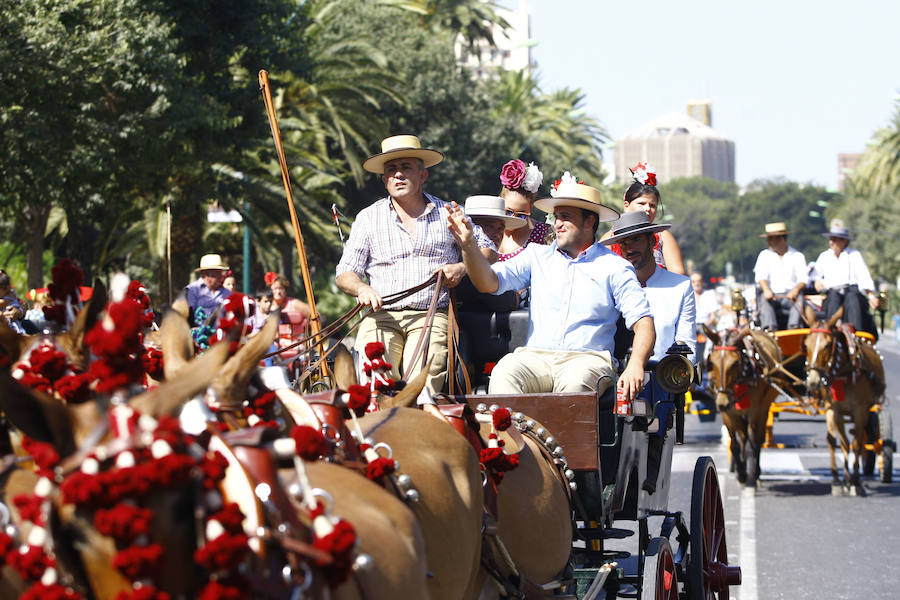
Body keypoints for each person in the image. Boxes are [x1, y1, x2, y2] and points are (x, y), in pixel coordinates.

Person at [447, 176, 655, 401]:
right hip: (535, 357)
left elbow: (644, 322)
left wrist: (635, 364)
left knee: (575, 383)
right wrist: (469, 245)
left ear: (589, 222)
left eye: (566, 217)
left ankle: (558, 438)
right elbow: (487, 282)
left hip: (588, 359)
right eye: (556, 217)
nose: (557, 224)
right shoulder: (536, 255)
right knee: (504, 374)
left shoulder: (615, 267)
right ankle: (513, 438)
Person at [336, 134, 496, 392]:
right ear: (384, 179)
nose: (398, 175)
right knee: (376, 384)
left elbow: (489, 249)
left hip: (430, 317)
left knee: (418, 388)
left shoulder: (448, 213)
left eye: (405, 167)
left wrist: (462, 268)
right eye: (391, 170)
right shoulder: (368, 218)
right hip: (381, 317)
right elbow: (345, 273)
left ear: (422, 176)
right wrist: (362, 289)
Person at [602, 210, 695, 493]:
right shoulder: (608, 282)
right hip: (610, 371)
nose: (630, 248)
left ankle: (644, 464)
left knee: (651, 390)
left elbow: (687, 343)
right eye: (625, 243)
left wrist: (669, 364)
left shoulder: (679, 287)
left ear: (652, 242)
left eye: (637, 241)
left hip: (657, 379)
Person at [602, 162, 686, 274]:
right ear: (626, 206)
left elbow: (678, 273)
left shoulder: (663, 236)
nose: (647, 209)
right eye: (641, 203)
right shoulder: (609, 239)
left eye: (652, 205)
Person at [811, 222, 879, 337]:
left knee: (852, 299)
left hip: (851, 292)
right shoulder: (824, 256)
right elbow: (815, 276)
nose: (831, 242)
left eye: (835, 239)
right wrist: (817, 282)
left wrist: (871, 295)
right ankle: (831, 333)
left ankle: (856, 335)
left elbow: (864, 278)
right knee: (833, 299)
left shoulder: (854, 255)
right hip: (833, 293)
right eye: (831, 239)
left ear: (844, 241)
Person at [753, 222, 807, 330]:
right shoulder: (764, 255)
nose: (768, 242)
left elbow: (803, 279)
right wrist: (766, 290)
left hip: (791, 297)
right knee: (763, 299)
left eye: (771, 238)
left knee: (800, 299)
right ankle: (770, 327)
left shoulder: (797, 256)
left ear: (781, 239)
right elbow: (761, 277)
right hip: (772, 297)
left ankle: (794, 327)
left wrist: (795, 290)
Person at [496, 159, 553, 260]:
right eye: (508, 212)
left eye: (521, 215)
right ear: (500, 201)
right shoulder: (485, 227)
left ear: (530, 208)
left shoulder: (543, 234)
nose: (513, 218)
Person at [184, 254, 232, 326]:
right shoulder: (192, 291)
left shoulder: (227, 293)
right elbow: (185, 317)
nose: (221, 276)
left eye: (221, 273)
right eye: (217, 273)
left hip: (222, 334)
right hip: (198, 335)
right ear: (205, 274)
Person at [0, 270, 25, 334]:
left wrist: (19, 312)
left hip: (13, 328)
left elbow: (24, 305)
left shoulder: (10, 295)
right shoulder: (9, 296)